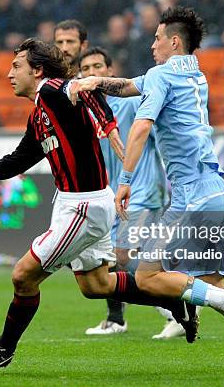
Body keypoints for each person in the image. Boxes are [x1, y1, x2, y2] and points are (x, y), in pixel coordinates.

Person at [0, 38, 197, 371]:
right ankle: (173, 297)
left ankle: (3, 349)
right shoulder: (39, 116)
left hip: (84, 207)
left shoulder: (53, 90)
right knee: (97, 286)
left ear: (37, 70)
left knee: (23, 276)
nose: (8, 74)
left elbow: (81, 89)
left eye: (16, 66)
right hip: (74, 202)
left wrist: (108, 127)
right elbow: (17, 161)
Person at [71, 6, 224, 374]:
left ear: (174, 41)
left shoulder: (161, 75)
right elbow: (127, 86)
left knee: (147, 275)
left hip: (191, 195)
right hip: (218, 192)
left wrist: (124, 181)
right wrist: (97, 83)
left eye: (157, 38)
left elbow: (140, 128)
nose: (152, 44)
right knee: (211, 282)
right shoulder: (195, 74)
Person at [78, 46, 172, 337]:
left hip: (142, 189)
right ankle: (116, 319)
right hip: (110, 194)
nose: (92, 72)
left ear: (110, 72)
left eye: (98, 67)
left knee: (122, 256)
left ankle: (173, 309)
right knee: (112, 259)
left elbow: (155, 133)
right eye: (87, 68)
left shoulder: (130, 104)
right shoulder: (84, 109)